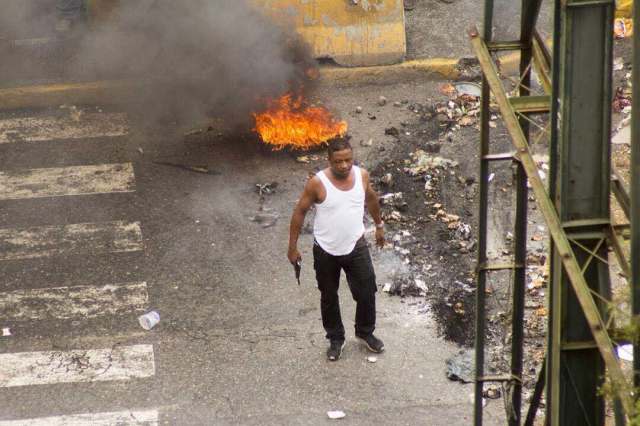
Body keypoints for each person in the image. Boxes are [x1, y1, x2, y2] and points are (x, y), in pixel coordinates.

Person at [288, 137, 385, 361]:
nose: (343, 165)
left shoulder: (362, 175)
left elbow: (371, 198)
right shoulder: (317, 183)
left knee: (367, 291)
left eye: (348, 160)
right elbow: (299, 212)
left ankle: (365, 332)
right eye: (338, 161)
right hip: (325, 250)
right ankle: (335, 339)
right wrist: (292, 248)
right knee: (328, 295)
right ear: (329, 160)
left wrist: (379, 226)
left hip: (356, 244)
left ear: (352, 158)